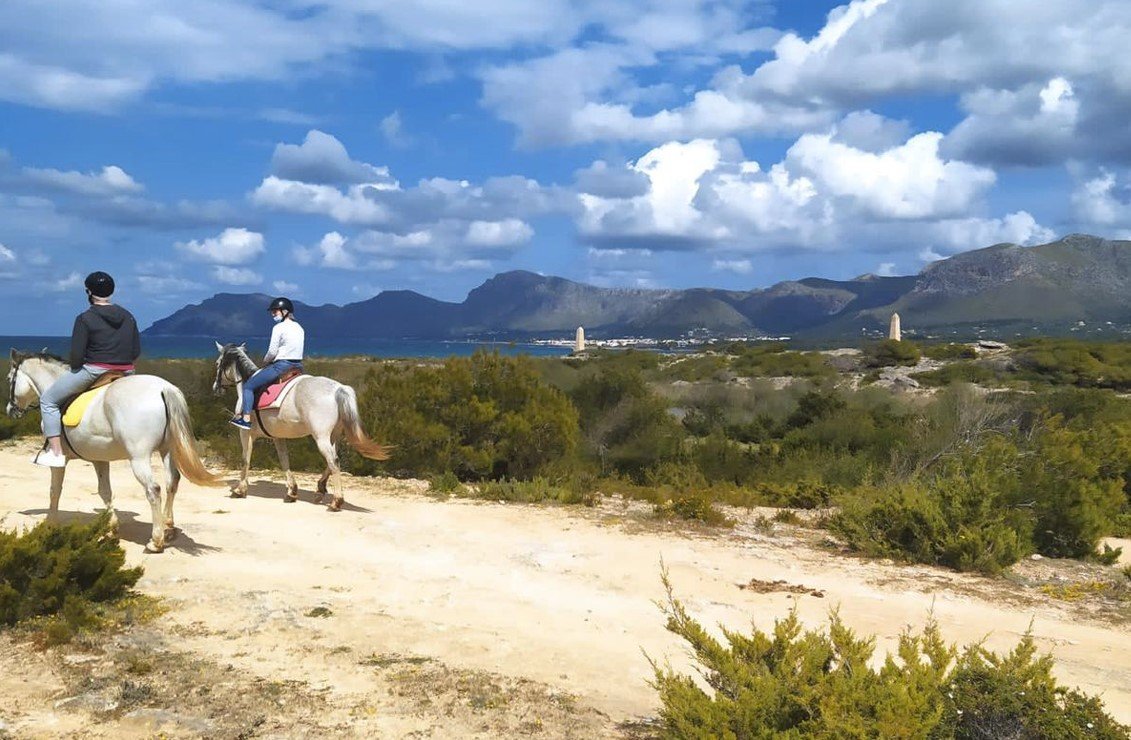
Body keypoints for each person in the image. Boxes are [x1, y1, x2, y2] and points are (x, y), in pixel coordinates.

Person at [34, 271, 140, 467]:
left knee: (48, 400)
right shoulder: (128, 316)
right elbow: (135, 350)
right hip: (127, 371)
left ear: (89, 292)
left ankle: (56, 453)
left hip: (95, 371)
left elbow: (77, 355)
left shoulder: (85, 318)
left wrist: (76, 367)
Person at [230, 297, 304, 430]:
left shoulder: (279, 327)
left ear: (285, 311)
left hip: (281, 366)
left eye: (275, 312)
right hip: (298, 366)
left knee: (248, 387)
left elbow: (272, 351)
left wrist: (265, 361)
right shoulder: (300, 328)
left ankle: (246, 419)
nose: (273, 314)